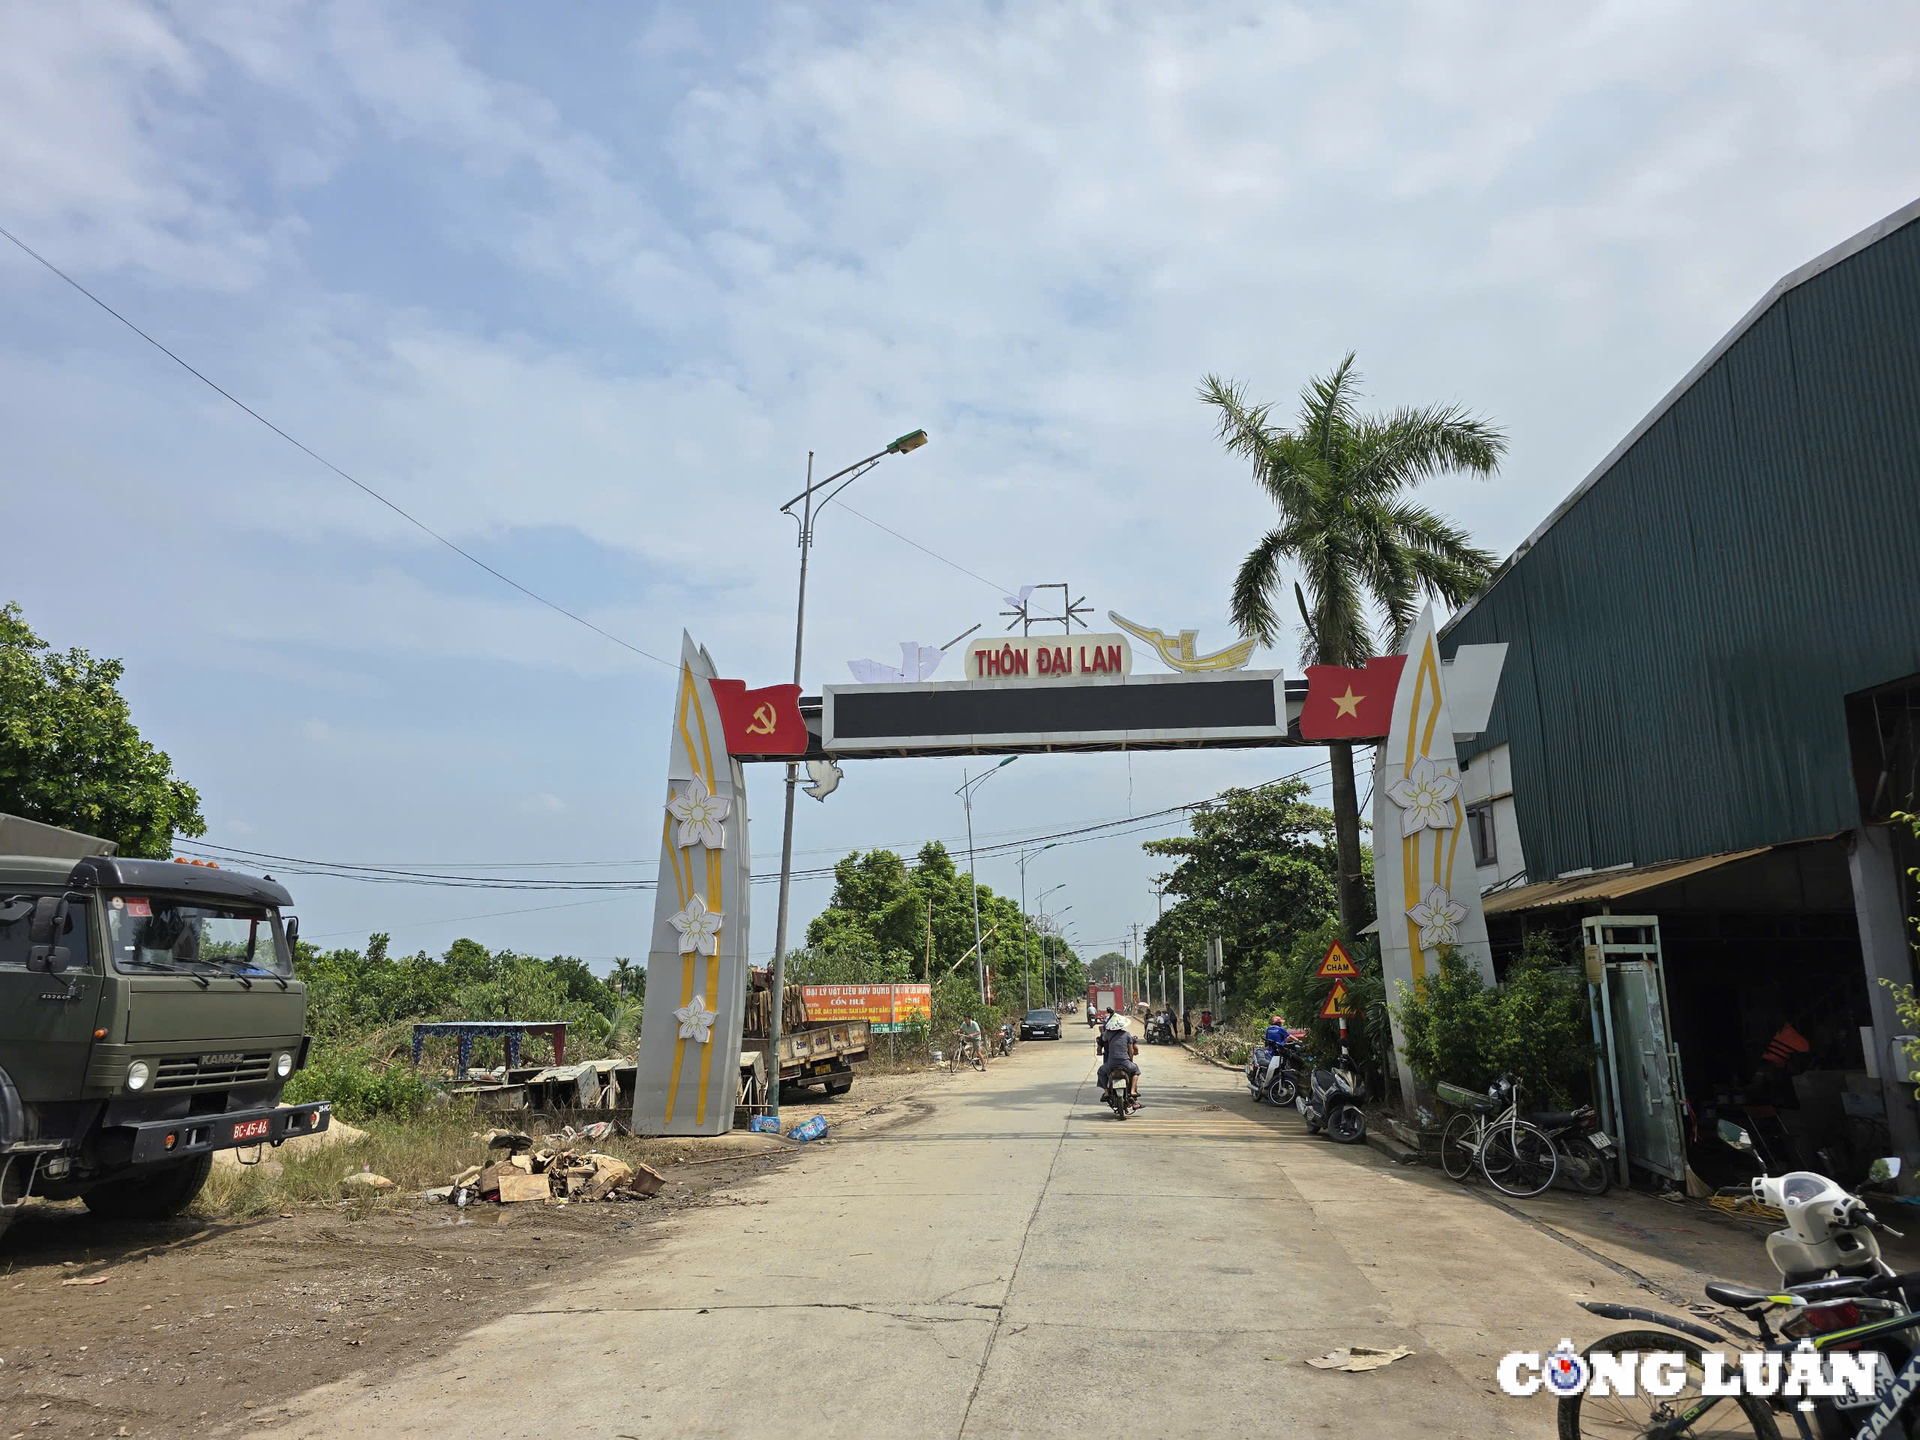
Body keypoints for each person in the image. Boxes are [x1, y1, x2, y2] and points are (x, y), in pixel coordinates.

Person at [1097, 1013, 1140, 1105]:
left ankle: (1106, 1092)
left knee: (1100, 1072)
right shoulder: (1127, 1035)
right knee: (1136, 1070)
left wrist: (1104, 1032)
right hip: (1125, 1062)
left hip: (1111, 1063)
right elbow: (1131, 1051)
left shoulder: (1108, 1034)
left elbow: (1103, 1040)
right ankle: (1132, 1091)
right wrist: (1130, 1061)